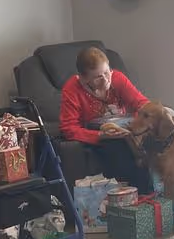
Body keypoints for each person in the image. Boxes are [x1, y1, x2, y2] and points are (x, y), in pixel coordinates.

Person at [59, 46, 153, 193]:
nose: (105, 79)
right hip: (98, 135)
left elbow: (142, 104)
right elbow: (68, 128)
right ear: (83, 78)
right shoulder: (72, 89)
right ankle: (135, 196)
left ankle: (150, 195)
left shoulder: (117, 78)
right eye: (98, 77)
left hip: (124, 128)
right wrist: (100, 135)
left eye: (107, 72)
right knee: (119, 148)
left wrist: (137, 124)